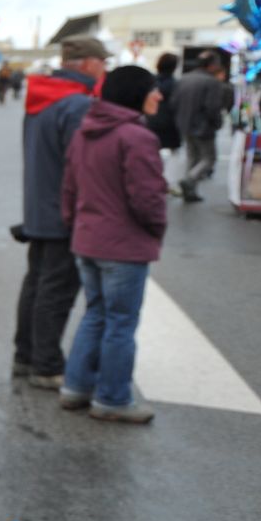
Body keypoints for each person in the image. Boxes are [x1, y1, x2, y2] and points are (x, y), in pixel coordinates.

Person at [60, 65, 167, 423]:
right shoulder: (136, 137)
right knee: (120, 322)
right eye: (153, 89)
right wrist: (156, 228)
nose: (160, 95)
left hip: (87, 238)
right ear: (136, 93)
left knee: (95, 315)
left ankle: (76, 387)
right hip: (123, 244)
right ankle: (112, 399)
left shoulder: (85, 131)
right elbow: (147, 197)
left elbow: (69, 188)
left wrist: (75, 225)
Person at [13, 37, 107, 388]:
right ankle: (47, 364)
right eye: (101, 61)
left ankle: (26, 354)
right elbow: (82, 165)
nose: (104, 68)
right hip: (64, 212)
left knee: (36, 284)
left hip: (39, 206)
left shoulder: (42, 97)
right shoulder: (77, 105)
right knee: (56, 290)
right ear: (85, 64)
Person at [173, 50, 233, 203]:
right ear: (212, 65)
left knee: (192, 157)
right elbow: (212, 107)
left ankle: (190, 189)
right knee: (208, 159)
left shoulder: (184, 79)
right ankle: (190, 180)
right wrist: (217, 122)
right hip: (203, 126)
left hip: (184, 124)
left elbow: (174, 102)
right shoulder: (211, 82)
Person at [148, 51, 183, 192]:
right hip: (170, 122)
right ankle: (168, 181)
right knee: (174, 151)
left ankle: (152, 178)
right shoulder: (175, 84)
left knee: (151, 150)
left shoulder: (151, 81)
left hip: (151, 120)